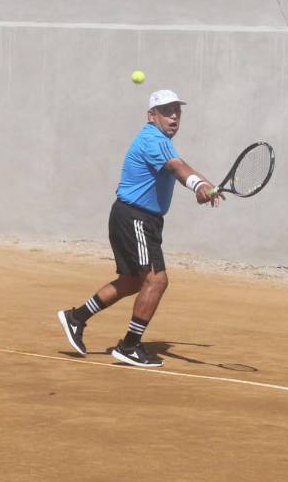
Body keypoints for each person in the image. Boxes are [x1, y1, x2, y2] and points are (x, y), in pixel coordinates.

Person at [56, 90, 224, 368]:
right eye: (167, 111)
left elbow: (180, 165)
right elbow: (176, 166)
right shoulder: (152, 138)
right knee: (156, 280)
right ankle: (129, 346)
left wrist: (205, 184)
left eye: (177, 111)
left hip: (135, 218)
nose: (173, 116)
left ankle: (76, 318)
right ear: (151, 115)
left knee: (134, 281)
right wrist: (199, 185)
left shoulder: (162, 142)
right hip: (136, 218)